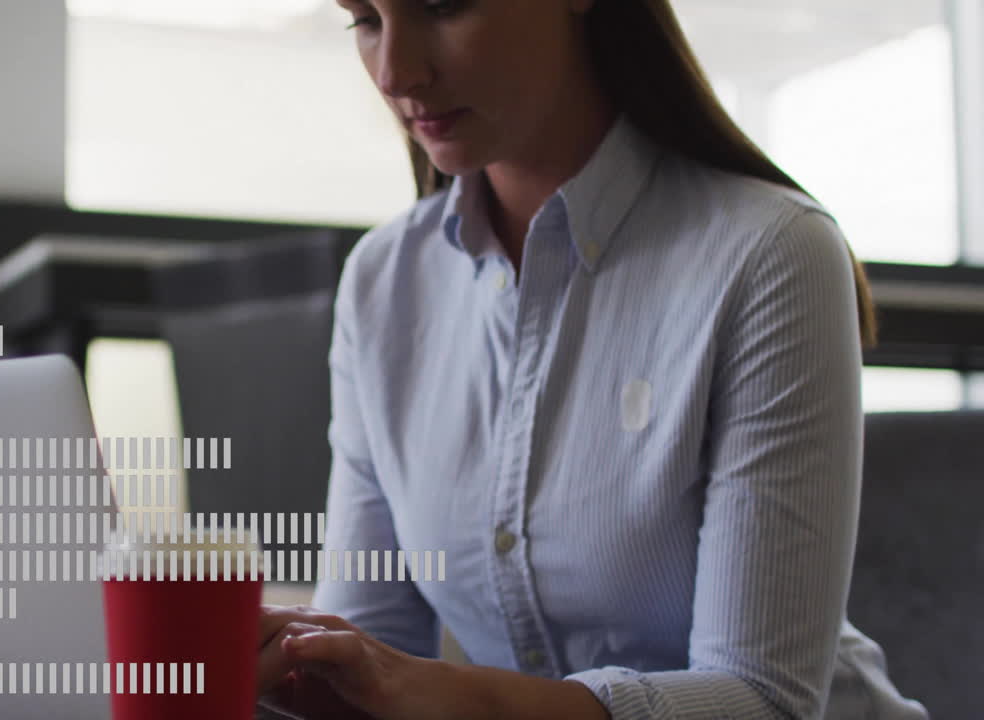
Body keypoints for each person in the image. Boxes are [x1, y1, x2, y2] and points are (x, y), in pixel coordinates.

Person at [257, 0, 929, 718]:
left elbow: (763, 701)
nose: (395, 71)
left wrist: (452, 697)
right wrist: (280, 664)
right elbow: (374, 647)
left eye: (442, 6)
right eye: (364, 20)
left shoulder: (768, 254)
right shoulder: (385, 283)